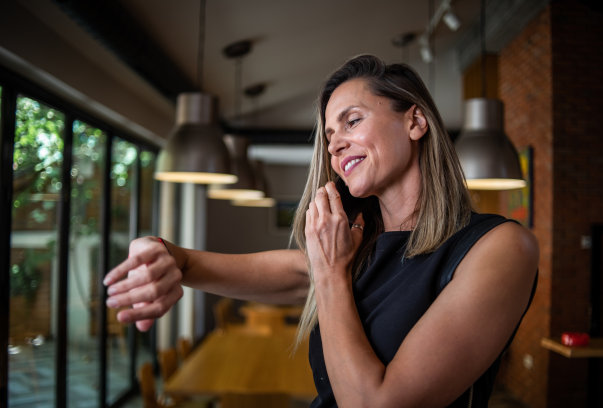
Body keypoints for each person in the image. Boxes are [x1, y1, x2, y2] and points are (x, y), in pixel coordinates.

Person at [104, 55, 538, 407]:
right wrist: (164, 254)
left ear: (415, 122)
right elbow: (200, 263)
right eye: (329, 135)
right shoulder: (357, 250)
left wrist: (330, 273)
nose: (334, 145)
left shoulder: (498, 248)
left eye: (351, 121)